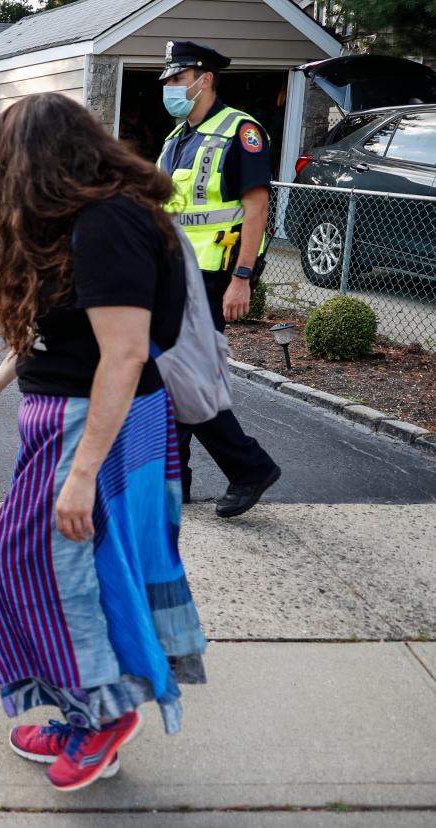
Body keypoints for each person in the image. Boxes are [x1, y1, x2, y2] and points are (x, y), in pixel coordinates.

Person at [0, 93, 207, 792]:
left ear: (35, 161)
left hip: (92, 428)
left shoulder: (109, 224)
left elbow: (126, 353)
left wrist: (80, 475)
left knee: (36, 576)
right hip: (69, 417)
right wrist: (4, 380)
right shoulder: (82, 220)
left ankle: (101, 718)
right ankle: (85, 711)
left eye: (5, 157)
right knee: (72, 579)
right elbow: (61, 326)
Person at [157, 40, 282, 517]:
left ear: (203, 78)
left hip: (213, 278)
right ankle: (176, 479)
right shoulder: (176, 138)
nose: (169, 87)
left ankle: (249, 467)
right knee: (173, 377)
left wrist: (242, 278)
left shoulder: (240, 131)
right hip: (173, 277)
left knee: (186, 380)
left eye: (177, 78)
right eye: (168, 80)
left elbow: (256, 208)